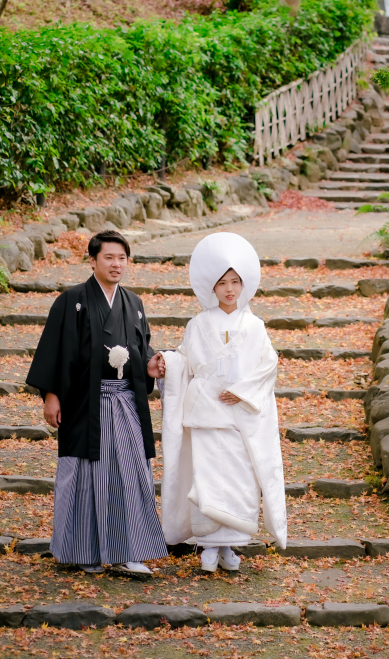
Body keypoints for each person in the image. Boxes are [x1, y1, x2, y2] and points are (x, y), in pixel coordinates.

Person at [26, 229, 168, 577]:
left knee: (131, 473)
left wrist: (150, 364)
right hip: (84, 404)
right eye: (109, 257)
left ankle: (129, 550)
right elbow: (56, 352)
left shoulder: (133, 304)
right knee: (85, 475)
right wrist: (51, 395)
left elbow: (141, 350)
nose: (116, 264)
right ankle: (82, 550)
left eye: (122, 258)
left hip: (125, 403)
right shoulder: (71, 300)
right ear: (93, 261)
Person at [159, 232, 287, 572]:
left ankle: (230, 545)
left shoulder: (256, 326)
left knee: (240, 479)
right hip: (206, 413)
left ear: (243, 285)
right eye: (222, 283)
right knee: (208, 478)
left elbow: (268, 365)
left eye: (235, 282)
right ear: (211, 288)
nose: (229, 289)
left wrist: (243, 391)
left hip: (238, 414)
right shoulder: (198, 324)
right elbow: (185, 360)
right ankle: (208, 546)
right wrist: (167, 363)